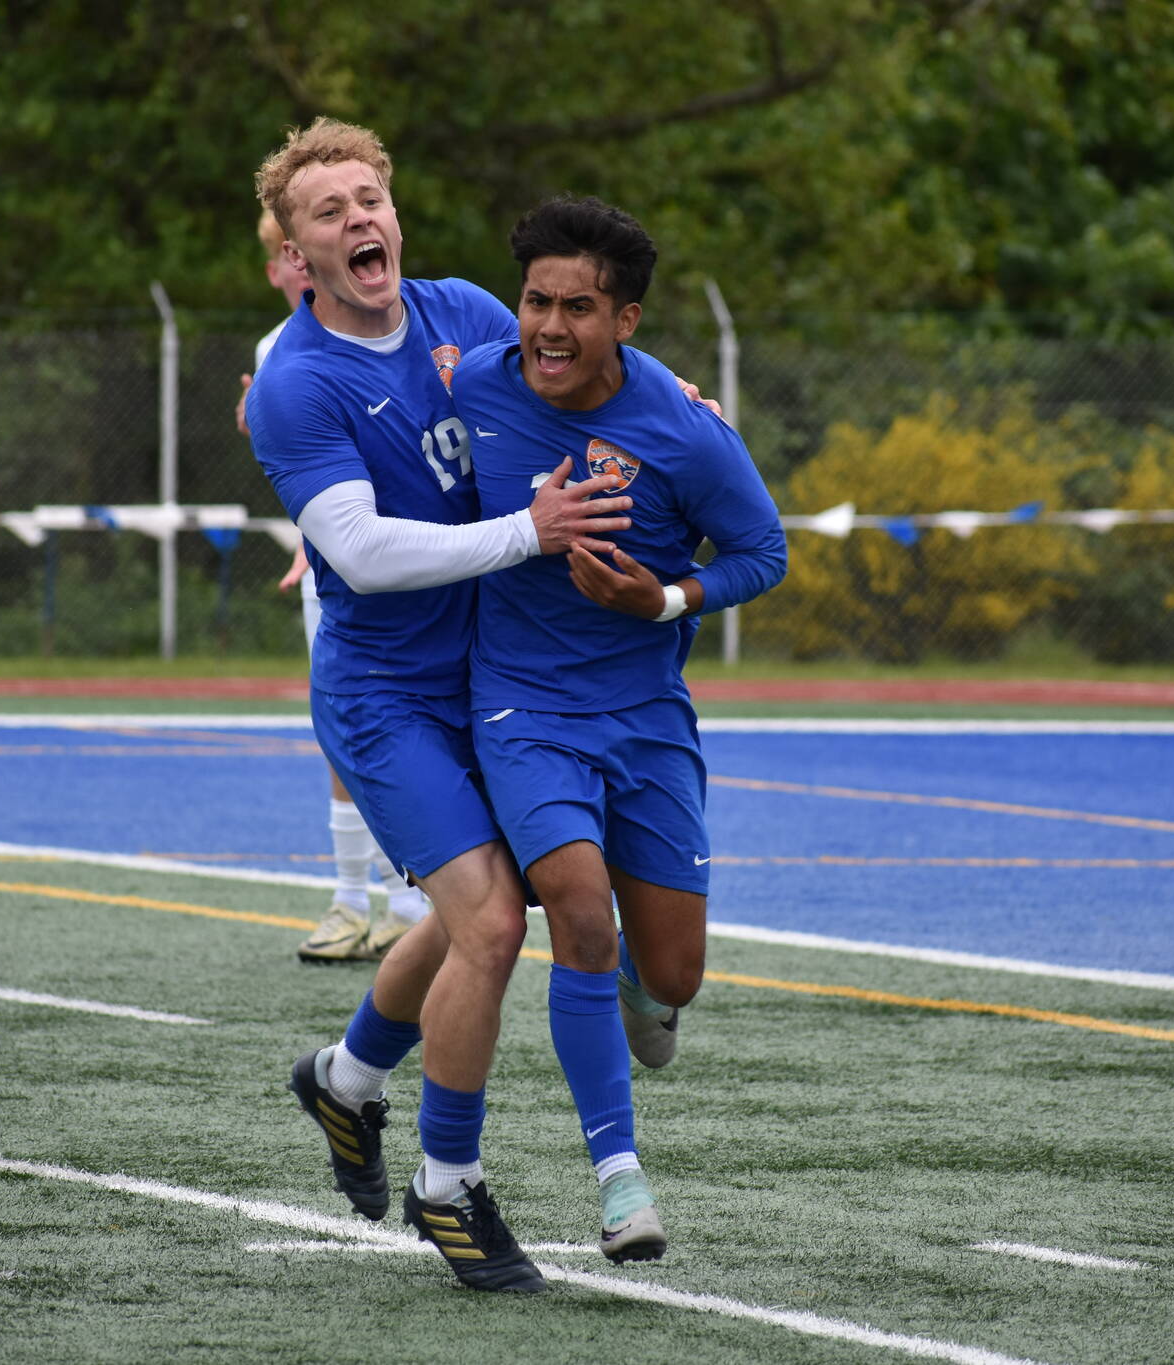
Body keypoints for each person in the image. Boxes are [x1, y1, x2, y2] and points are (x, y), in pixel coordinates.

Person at [244, 119, 635, 1294]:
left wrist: (678, 408)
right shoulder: (297, 382)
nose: (358, 219)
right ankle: (447, 1186)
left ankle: (348, 1080)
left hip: (491, 678)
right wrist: (529, 532)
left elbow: (584, 376)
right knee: (491, 928)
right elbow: (357, 551)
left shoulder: (465, 308)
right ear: (296, 252)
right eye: (329, 211)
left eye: (370, 198)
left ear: (394, 215)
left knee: (489, 905)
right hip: (383, 697)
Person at [449, 196, 787, 1261]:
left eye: (577, 308)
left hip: (644, 717)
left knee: (672, 974)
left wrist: (666, 601)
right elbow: (364, 400)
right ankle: (618, 1181)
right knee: (579, 919)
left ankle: (648, 993)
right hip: (519, 708)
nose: (548, 327)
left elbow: (761, 551)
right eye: (535, 302)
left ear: (626, 321)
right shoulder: (467, 391)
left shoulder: (685, 428)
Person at [240, 207, 430, 963]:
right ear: (282, 265)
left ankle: (410, 900)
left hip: (420, 564)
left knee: (414, 725)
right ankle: (355, 898)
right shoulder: (280, 353)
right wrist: (308, 541)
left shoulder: (415, 324)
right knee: (346, 734)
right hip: (342, 573)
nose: (298, 267)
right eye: (286, 255)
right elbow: (314, 476)